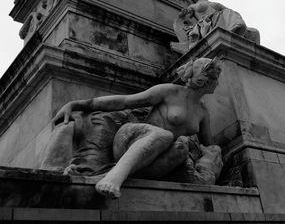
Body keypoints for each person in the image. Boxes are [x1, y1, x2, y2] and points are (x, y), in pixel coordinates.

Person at [51, 57, 221, 198]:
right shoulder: (170, 91)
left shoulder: (203, 110)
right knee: (166, 135)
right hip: (131, 138)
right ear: (205, 80)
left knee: (181, 147)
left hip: (158, 157)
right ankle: (114, 178)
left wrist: (212, 159)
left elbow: (209, 145)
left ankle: (105, 176)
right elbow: (125, 102)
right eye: (216, 78)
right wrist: (76, 104)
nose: (218, 83)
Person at [175, 0, 250, 49]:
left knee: (229, 12)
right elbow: (186, 19)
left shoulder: (215, 3)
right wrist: (182, 15)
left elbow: (232, 13)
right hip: (207, 25)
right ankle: (232, 32)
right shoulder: (193, 6)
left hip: (220, 23)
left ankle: (234, 31)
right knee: (227, 12)